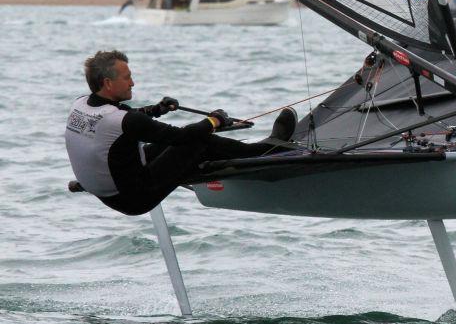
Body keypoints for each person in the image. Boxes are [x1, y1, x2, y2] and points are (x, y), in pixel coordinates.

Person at [65, 49, 297, 216]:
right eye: (127, 78)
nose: (133, 83)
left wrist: (156, 110)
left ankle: (234, 153)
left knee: (158, 147)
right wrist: (214, 120)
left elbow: (126, 121)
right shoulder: (125, 120)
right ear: (107, 83)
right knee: (198, 143)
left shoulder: (82, 104)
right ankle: (269, 148)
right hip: (134, 199)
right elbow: (181, 136)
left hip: (109, 191)